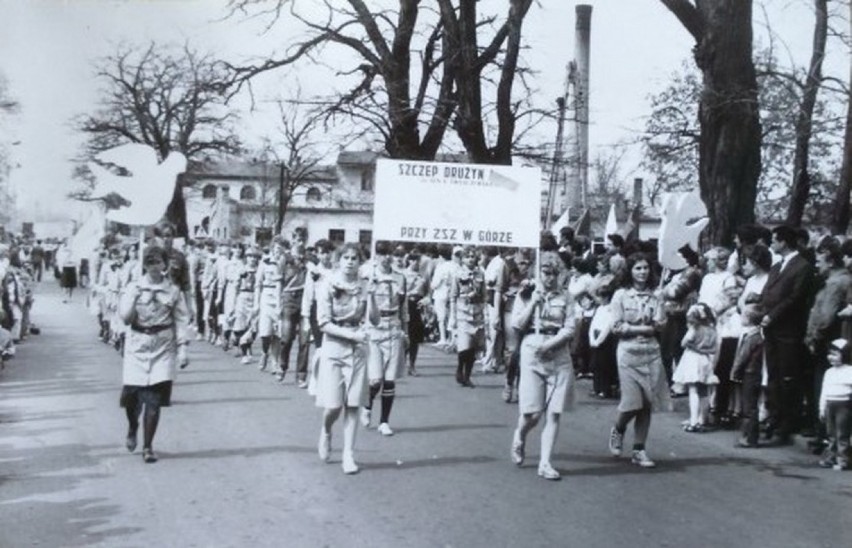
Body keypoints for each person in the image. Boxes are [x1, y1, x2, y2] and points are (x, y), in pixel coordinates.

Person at [118, 246, 190, 463]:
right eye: (150, 262)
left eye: (158, 262)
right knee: (132, 399)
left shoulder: (173, 291)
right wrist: (133, 299)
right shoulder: (134, 287)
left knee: (154, 399)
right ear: (144, 265)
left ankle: (148, 446)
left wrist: (183, 348)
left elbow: (181, 319)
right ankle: (133, 427)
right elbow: (125, 318)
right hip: (138, 345)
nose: (154, 267)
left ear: (165, 265)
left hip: (163, 345)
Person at [509, 252, 576, 480]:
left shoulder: (567, 297)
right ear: (538, 273)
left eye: (554, 273)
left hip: (557, 352)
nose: (550, 278)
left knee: (554, 413)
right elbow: (516, 324)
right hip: (532, 351)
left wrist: (550, 345)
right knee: (533, 413)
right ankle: (520, 435)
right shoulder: (526, 294)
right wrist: (533, 303)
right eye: (546, 273)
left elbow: (569, 328)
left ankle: (545, 462)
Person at [315, 243, 376, 475]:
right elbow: (323, 323)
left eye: (355, 258)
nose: (350, 261)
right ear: (339, 260)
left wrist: (372, 297)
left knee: (352, 405)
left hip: (357, 350)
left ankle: (348, 454)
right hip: (334, 347)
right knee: (333, 406)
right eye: (346, 257)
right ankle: (326, 430)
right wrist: (352, 335)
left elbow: (376, 321)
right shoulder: (328, 285)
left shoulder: (365, 286)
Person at [607, 252, 669, 468]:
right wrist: (645, 327)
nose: (642, 272)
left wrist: (656, 323)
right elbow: (617, 327)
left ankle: (639, 449)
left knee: (647, 403)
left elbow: (661, 323)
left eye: (645, 268)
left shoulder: (656, 295)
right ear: (630, 271)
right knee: (632, 401)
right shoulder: (620, 296)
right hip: (628, 352)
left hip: (651, 351)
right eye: (638, 268)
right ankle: (619, 428)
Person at [760, 225, 815, 446]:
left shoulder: (803, 267)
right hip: (772, 329)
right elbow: (769, 292)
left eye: (774, 240)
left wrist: (772, 316)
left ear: (784, 242)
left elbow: (795, 298)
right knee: (773, 374)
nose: (772, 244)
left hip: (789, 330)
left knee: (788, 376)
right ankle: (774, 418)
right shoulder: (776, 266)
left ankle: (787, 423)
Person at [360, 241, 407, 436]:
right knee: (375, 380)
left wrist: (406, 330)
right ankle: (368, 406)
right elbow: (362, 304)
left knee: (390, 380)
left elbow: (404, 307)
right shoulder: (368, 275)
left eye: (390, 253)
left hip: (393, 327)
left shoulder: (399, 277)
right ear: (376, 255)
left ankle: (384, 421)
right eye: (382, 253)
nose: (386, 257)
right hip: (374, 329)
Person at [672, 303, 719, 432]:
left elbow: (683, 343)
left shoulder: (694, 329)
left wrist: (695, 347)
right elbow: (714, 349)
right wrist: (704, 350)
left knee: (693, 390)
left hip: (693, 359)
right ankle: (702, 420)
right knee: (704, 391)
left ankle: (693, 421)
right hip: (705, 361)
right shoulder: (712, 330)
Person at [450, 246, 487, 387]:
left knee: (473, 347)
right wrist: (452, 317)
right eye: (467, 256)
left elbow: (484, 295)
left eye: (473, 256)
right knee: (464, 346)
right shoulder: (457, 274)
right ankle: (460, 368)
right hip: (462, 313)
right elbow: (453, 296)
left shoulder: (480, 274)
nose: (471, 259)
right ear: (463, 259)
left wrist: (485, 312)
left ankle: (467, 376)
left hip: (477, 314)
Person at [730, 298, 765, 448]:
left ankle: (750, 438)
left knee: (749, 406)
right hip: (754, 372)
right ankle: (749, 436)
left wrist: (734, 372)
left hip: (750, 373)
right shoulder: (759, 335)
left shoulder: (752, 337)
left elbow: (742, 357)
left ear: (749, 319)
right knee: (750, 406)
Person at [817, 338, 852, 470]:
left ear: (845, 355)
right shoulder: (829, 372)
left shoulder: (849, 371)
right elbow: (824, 391)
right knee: (831, 434)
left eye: (835, 354)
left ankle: (843, 460)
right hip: (829, 404)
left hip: (844, 405)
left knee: (842, 434)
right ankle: (831, 458)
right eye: (829, 354)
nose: (830, 357)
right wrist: (822, 408)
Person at [402, 252, 427, 376]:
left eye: (419, 261)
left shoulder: (422, 276)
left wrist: (425, 300)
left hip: (418, 307)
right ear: (410, 261)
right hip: (406, 306)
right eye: (415, 261)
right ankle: (401, 363)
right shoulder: (403, 275)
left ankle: (412, 365)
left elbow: (428, 292)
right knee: (406, 337)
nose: (417, 263)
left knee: (415, 339)